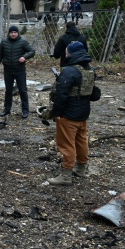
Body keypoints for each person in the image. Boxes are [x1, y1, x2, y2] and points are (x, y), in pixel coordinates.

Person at [48, 41, 96, 185]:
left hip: (68, 114)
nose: (66, 53)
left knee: (66, 144)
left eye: (67, 51)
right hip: (83, 112)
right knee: (81, 141)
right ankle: (81, 169)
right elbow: (93, 92)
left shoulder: (69, 71)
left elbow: (61, 94)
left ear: (71, 53)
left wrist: (56, 113)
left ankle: (66, 175)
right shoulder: (89, 69)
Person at [0, 25, 35, 118]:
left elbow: (32, 51)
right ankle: (7, 109)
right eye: (11, 32)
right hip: (8, 70)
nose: (13, 34)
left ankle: (25, 110)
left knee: (22, 90)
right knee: (8, 91)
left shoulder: (23, 42)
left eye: (15, 32)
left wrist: (24, 57)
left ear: (17, 33)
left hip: (19, 70)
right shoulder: (4, 42)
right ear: (9, 33)